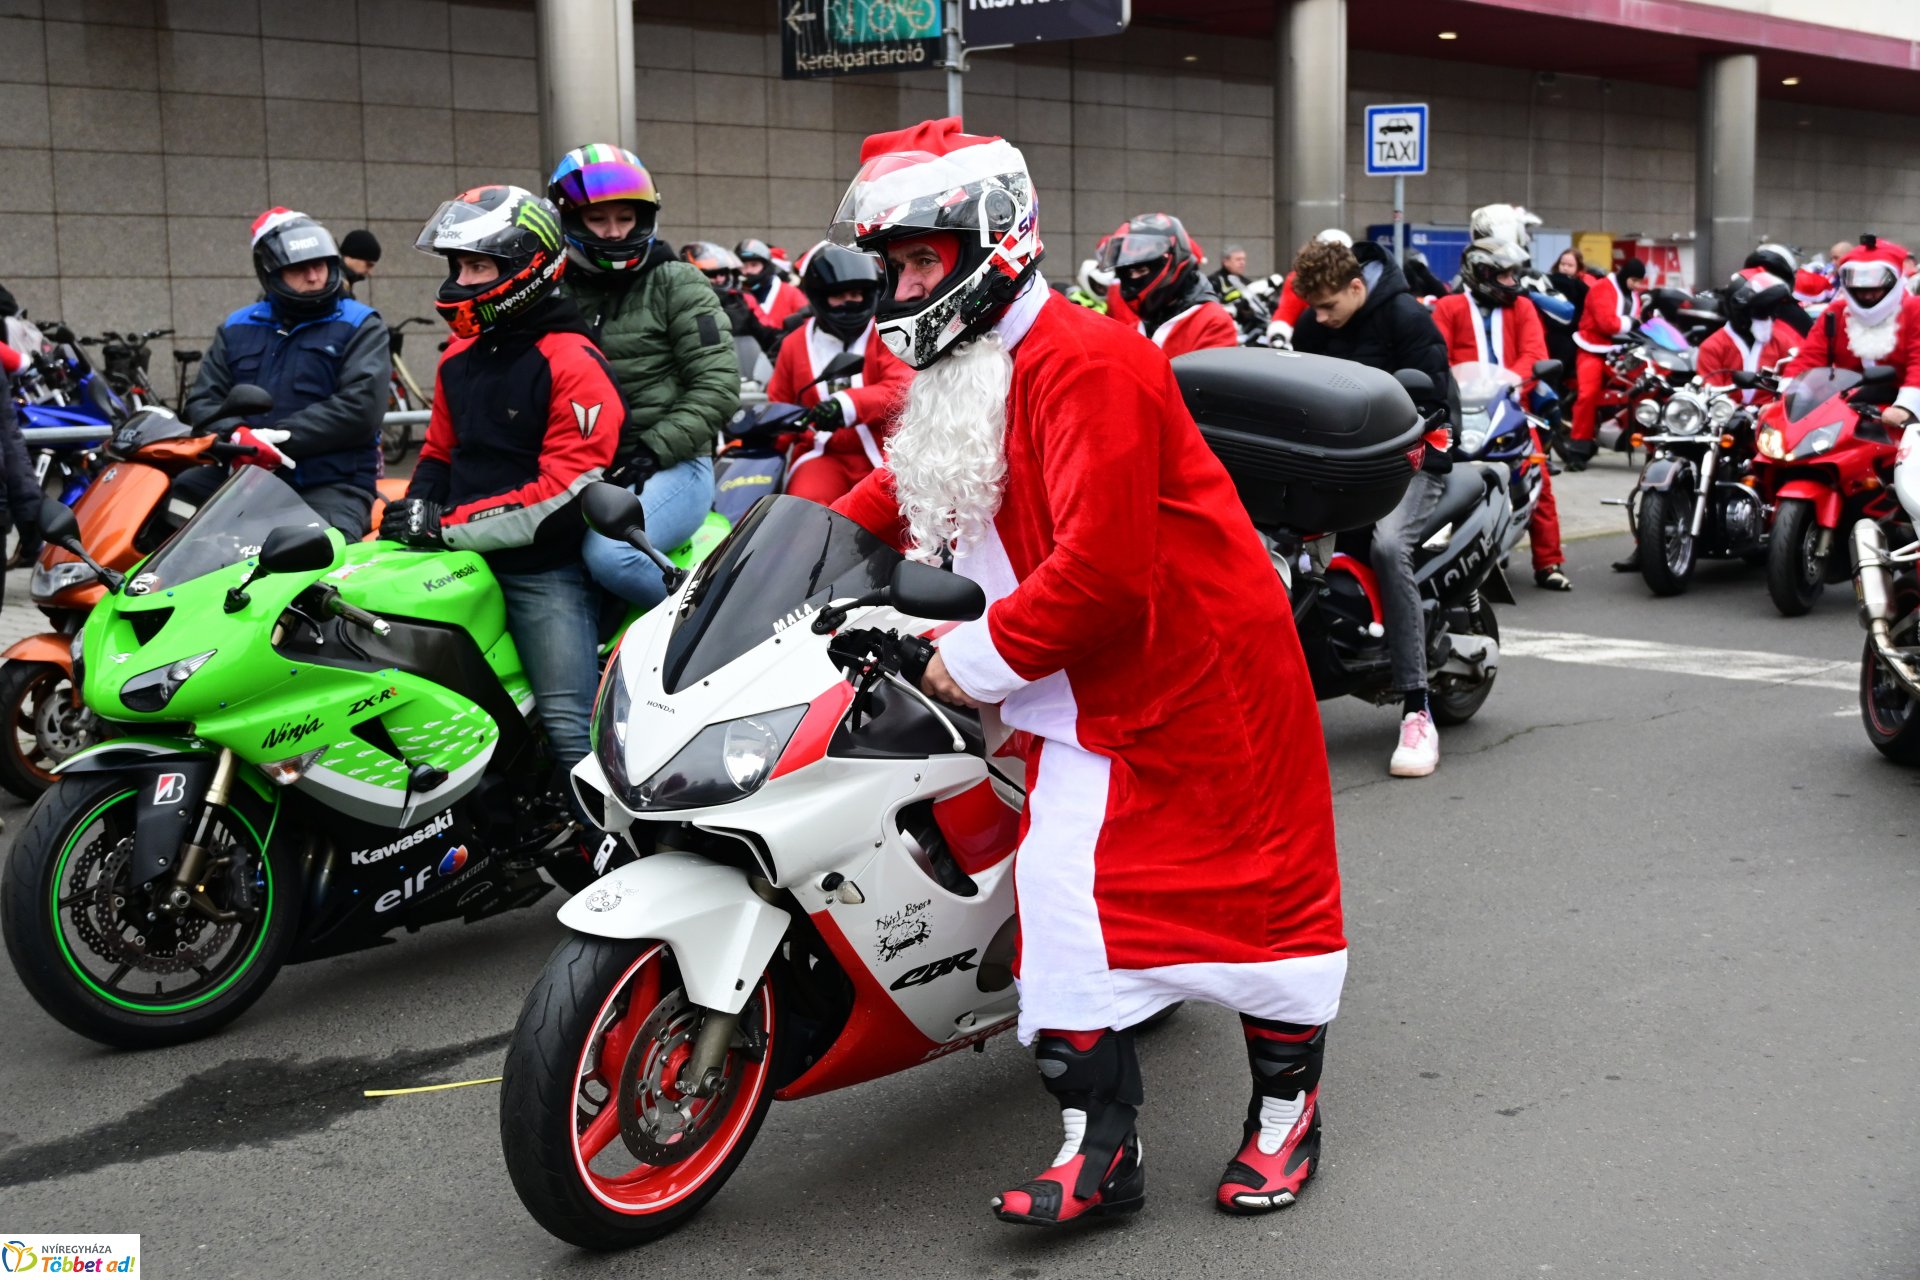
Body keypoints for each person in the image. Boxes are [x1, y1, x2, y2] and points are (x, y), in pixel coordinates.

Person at [829, 117, 1346, 1225]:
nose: (903, 288)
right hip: (1085, 691)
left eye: (919, 260)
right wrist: (774, 552)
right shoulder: (975, 358)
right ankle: (1099, 1150)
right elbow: (908, 489)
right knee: (1065, 907)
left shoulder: (1088, 359)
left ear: (990, 247)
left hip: (1204, 677)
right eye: (895, 266)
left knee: (1258, 904)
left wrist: (966, 664)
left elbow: (1102, 572)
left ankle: (1285, 1116)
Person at [383, 185, 621, 774]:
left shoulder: (573, 361)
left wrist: (443, 526)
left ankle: (600, 833)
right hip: (453, 559)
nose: (461, 281)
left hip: (540, 568)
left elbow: (567, 493)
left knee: (570, 728)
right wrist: (413, 514)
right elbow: (438, 454)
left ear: (527, 269)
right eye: (458, 266)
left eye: (478, 268)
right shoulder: (456, 357)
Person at [1289, 235, 1456, 777]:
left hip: (1413, 463)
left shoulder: (1408, 320)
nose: (1320, 318)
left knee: (1388, 547)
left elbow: (1432, 405)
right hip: (1341, 469)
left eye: (1328, 305)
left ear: (1357, 287)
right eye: (1313, 308)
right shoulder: (1312, 326)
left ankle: (1417, 709)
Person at [546, 146, 737, 611]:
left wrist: (653, 450)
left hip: (672, 463)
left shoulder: (678, 283)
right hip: (579, 467)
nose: (615, 231)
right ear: (570, 220)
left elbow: (718, 384)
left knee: (611, 554)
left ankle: (710, 628)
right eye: (598, 219)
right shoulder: (552, 290)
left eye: (626, 217)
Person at [185, 208, 390, 538]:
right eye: (299, 268)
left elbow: (360, 407)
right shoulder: (237, 326)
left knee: (316, 556)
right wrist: (236, 434)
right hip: (244, 477)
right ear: (272, 273)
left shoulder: (361, 323)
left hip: (331, 483)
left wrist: (276, 438)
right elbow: (203, 400)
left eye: (320, 265)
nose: (313, 277)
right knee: (169, 509)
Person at [1432, 238, 1571, 591]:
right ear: (1482, 274)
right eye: (1505, 275)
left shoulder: (1523, 307)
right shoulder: (1449, 307)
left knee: (1537, 475)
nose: (1513, 282)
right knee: (1445, 481)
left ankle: (1549, 562)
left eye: (1513, 274)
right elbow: (1439, 355)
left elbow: (1534, 353)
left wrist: (1507, 384)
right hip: (1462, 410)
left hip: (1510, 406)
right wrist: (1459, 388)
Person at [767, 242, 912, 504]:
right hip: (822, 453)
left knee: (897, 510)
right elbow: (781, 407)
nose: (850, 301)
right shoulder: (794, 344)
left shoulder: (888, 334)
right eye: (839, 294)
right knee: (804, 508)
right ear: (819, 296)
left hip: (886, 451)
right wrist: (758, 449)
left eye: (857, 293)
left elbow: (902, 388)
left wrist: (845, 405)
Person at [1783, 236, 1920, 427]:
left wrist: (1906, 407)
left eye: (1876, 289)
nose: (1867, 295)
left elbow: (1918, 363)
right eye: (1859, 289)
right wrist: (1785, 400)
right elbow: (1809, 358)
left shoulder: (1914, 309)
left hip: (1904, 415)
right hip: (1846, 412)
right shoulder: (1836, 313)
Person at [1100, 213, 1239, 357]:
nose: (1134, 278)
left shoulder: (1211, 322)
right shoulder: (1139, 327)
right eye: (1129, 273)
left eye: (1141, 270)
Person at [1567, 254, 1649, 471]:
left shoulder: (1632, 294)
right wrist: (1632, 322)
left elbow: (1635, 321)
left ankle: (1650, 445)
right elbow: (1608, 324)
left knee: (1647, 388)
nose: (1637, 286)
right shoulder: (1602, 289)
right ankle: (1578, 450)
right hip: (1592, 349)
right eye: (1634, 281)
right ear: (1626, 276)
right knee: (1588, 395)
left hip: (1621, 352)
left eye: (1639, 282)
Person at [1696, 268, 1804, 401]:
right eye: (1762, 311)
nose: (1770, 317)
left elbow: (1798, 380)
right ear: (1741, 311)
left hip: (1772, 411)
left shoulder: (1782, 341)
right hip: (1728, 412)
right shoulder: (1712, 347)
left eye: (1771, 310)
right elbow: (1712, 396)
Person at [736, 238, 807, 329]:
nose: (748, 270)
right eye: (743, 266)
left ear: (766, 266)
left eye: (754, 265)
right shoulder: (733, 295)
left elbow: (807, 325)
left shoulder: (790, 293)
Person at [340, 229, 382, 293]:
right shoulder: (331, 280)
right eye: (368, 265)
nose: (370, 272)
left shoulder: (339, 279)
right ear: (353, 255)